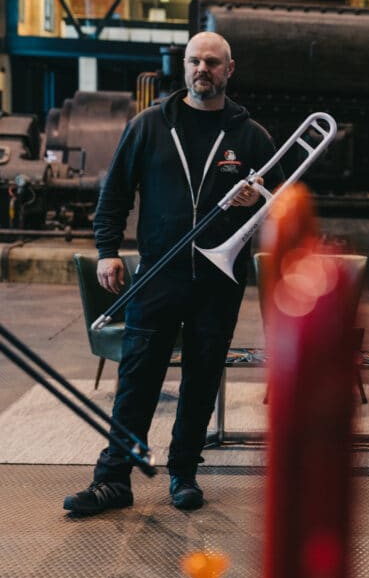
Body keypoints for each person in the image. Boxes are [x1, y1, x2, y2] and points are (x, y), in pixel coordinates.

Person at [63, 31, 283, 515]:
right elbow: (115, 193)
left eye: (213, 62)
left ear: (229, 70)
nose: (202, 69)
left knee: (201, 382)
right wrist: (107, 250)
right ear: (184, 67)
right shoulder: (148, 125)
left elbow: (281, 207)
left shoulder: (251, 136)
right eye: (194, 61)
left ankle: (184, 473)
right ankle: (113, 480)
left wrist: (258, 200)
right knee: (137, 380)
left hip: (219, 283)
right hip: (157, 277)